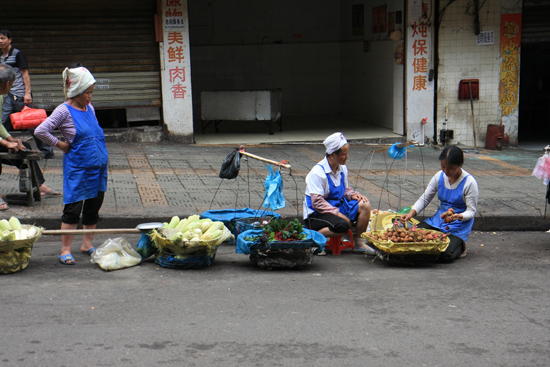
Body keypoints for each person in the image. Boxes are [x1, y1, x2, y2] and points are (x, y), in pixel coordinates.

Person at [35, 65, 109, 265]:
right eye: (88, 93)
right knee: (73, 209)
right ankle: (65, 249)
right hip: (79, 168)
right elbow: (41, 130)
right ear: (76, 91)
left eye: (92, 93)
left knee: (93, 208)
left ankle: (87, 244)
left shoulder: (90, 108)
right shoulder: (63, 110)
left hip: (98, 167)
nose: (90, 97)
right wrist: (60, 145)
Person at [400, 145, 479, 262]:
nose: (446, 171)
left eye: (450, 168)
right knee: (413, 238)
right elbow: (425, 198)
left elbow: (471, 211)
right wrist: (411, 213)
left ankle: (461, 246)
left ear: (460, 165)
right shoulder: (439, 176)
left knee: (445, 254)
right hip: (437, 222)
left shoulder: (469, 183)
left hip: (458, 227)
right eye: (443, 166)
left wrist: (459, 216)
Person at [0, 64, 60, 211]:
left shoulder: (1, 97)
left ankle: (39, 185)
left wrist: (9, 138)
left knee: (25, 148)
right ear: (7, 83)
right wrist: (5, 144)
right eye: (13, 84)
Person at [303, 132, 375, 255]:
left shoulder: (342, 168)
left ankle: (359, 243)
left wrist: (352, 195)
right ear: (332, 155)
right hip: (317, 214)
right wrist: (340, 215)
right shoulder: (317, 173)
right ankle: (313, 239)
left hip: (336, 207)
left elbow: (344, 189)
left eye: (347, 153)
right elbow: (317, 203)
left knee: (365, 205)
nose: (347, 157)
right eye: (343, 154)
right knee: (343, 225)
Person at [0, 30, 54, 158]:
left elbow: (25, 74)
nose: (0, 41)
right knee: (2, 120)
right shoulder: (1, 57)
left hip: (20, 95)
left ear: (10, 40)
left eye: (2, 38)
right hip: (7, 96)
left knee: (32, 123)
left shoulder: (18, 54)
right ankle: (6, 145)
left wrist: (27, 93)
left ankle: (47, 149)